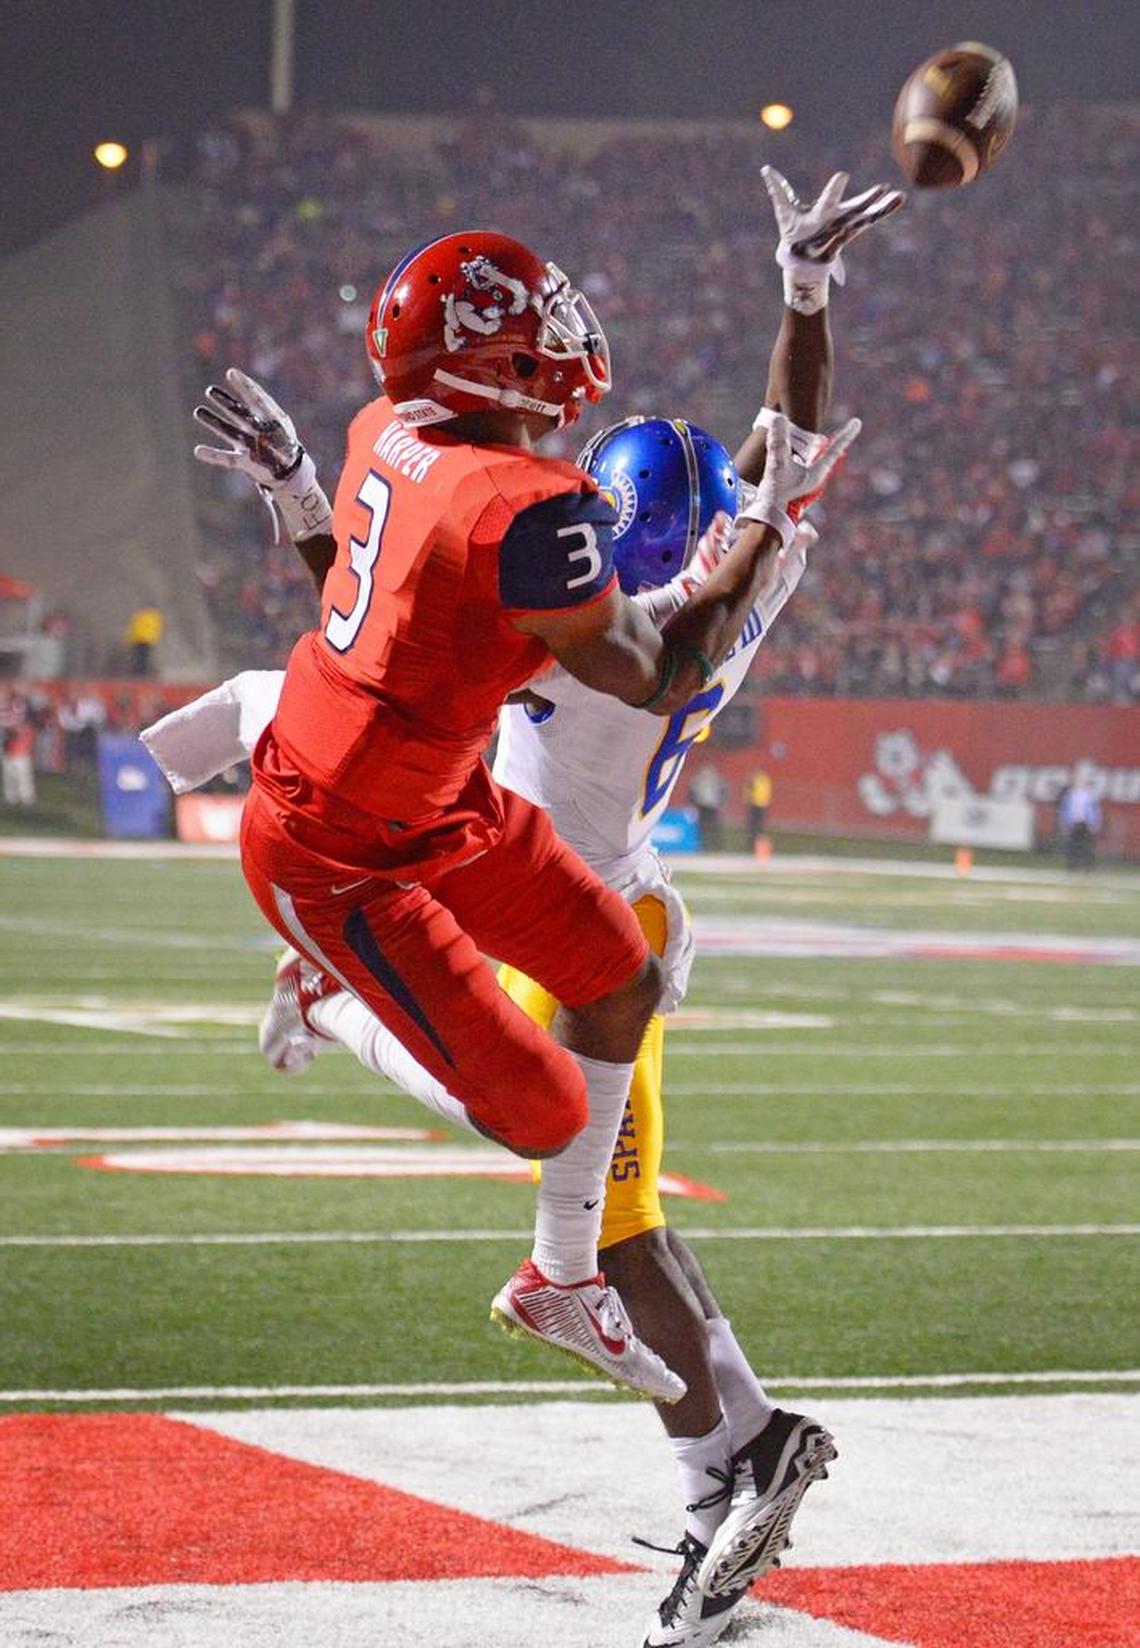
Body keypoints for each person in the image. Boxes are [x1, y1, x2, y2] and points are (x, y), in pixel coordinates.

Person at [148, 168, 899, 1648]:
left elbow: (415, 584)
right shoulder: (732, 573)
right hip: (549, 883)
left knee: (599, 1219)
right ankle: (727, 1460)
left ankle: (730, 1466)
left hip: (552, 904)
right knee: (589, 1195)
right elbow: (779, 452)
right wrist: (802, 301)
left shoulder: (578, 619)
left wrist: (312, 490)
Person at [1058, 773, 1102, 869]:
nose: (1079, 783)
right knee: (1072, 846)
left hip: (1086, 823)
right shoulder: (1069, 795)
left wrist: (1095, 824)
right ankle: (1073, 866)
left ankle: (1088, 867)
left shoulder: (1090, 796)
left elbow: (1095, 811)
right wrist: (1064, 824)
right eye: (1077, 781)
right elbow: (1064, 810)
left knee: (1087, 846)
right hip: (1073, 823)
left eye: (1081, 781)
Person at [689, 762, 728, 851]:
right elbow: (692, 791)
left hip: (711, 806)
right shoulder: (699, 780)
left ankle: (713, 845)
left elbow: (724, 791)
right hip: (703, 805)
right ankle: (705, 845)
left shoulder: (714, 780)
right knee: (704, 826)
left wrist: (721, 801)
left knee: (711, 826)